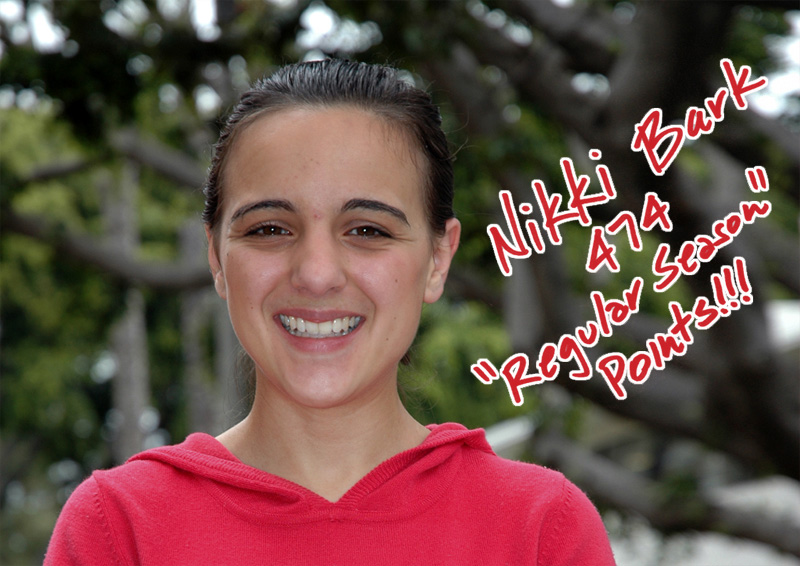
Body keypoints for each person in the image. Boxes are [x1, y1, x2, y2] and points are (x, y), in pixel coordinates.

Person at [45, 59, 616, 565]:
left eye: (367, 230)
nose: (316, 274)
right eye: (270, 229)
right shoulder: (118, 527)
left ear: (438, 259)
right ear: (217, 257)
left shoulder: (542, 529)